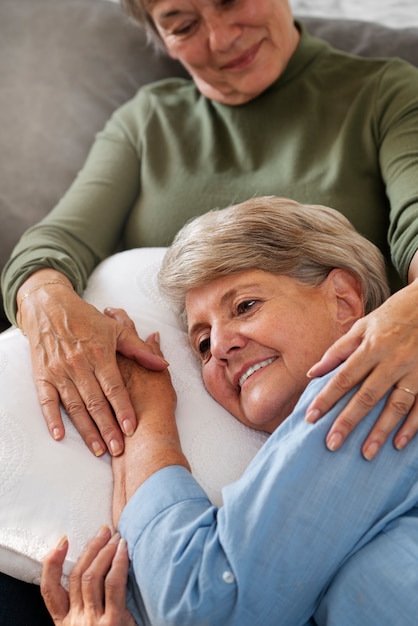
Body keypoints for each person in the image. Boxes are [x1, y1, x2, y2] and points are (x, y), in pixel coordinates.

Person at [1, 0, 418, 463]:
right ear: (162, 41)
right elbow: (54, 244)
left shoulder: (384, 92)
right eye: (183, 26)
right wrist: (46, 304)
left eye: (230, 0)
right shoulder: (148, 121)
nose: (221, 38)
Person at [41, 197, 418, 626]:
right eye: (202, 344)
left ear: (344, 301)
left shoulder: (378, 382)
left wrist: (148, 423)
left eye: (245, 306)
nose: (219, 347)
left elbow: (203, 605)